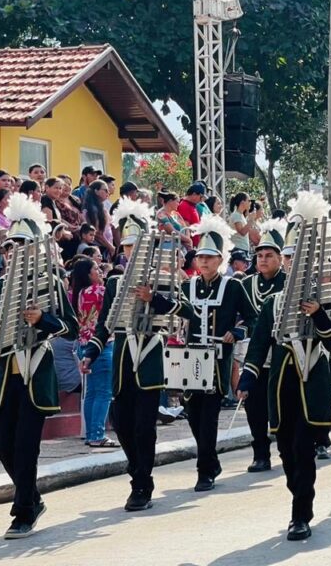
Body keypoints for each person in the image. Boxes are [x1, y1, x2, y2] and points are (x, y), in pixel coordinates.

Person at [239, 194, 331, 540]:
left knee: (302, 448)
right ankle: (299, 497)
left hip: (311, 383)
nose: (295, 264)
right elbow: (258, 344)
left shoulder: (326, 295)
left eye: (300, 258)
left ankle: (301, 515)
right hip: (281, 386)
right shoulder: (273, 302)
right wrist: (247, 378)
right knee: (285, 450)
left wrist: (319, 314)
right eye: (291, 258)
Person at [0, 193, 79, 538]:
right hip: (6, 377)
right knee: (4, 447)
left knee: (25, 446)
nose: (14, 251)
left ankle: (23, 511)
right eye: (11, 246)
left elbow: (71, 328)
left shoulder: (50, 284)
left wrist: (43, 320)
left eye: (22, 245)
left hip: (36, 371)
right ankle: (33, 499)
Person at [147, 214, 258, 492]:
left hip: (218, 360)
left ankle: (204, 470)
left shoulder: (233, 286)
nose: (204, 262)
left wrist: (238, 331)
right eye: (200, 257)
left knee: (208, 417)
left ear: (220, 259)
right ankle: (211, 461)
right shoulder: (188, 285)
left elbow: (253, 318)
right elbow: (179, 311)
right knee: (194, 416)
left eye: (210, 257)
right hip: (190, 359)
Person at [80, 197, 170, 508]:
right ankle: (137, 471)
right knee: (122, 424)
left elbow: (181, 310)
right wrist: (91, 353)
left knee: (145, 427)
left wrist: (153, 298)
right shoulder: (115, 283)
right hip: (122, 363)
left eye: (136, 246)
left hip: (148, 362)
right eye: (127, 246)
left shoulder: (163, 277)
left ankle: (142, 484)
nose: (131, 251)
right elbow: (105, 325)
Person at [236, 219, 288, 472]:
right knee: (254, 406)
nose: (263, 260)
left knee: (283, 406)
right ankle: (261, 454)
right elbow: (243, 318)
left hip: (282, 355)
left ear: (280, 258)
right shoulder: (246, 284)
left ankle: (288, 450)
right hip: (254, 356)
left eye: (269, 255)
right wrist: (239, 330)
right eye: (260, 256)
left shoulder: (289, 283)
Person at [69, 257, 119, 448]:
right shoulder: (98, 291)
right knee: (103, 392)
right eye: (96, 269)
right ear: (88, 274)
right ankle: (97, 434)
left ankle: (91, 433)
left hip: (84, 344)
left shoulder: (79, 293)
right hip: (101, 345)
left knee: (92, 392)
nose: (100, 272)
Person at [82, 180, 115, 262]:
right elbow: (97, 234)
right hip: (100, 248)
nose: (108, 192)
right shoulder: (93, 210)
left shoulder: (101, 208)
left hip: (105, 247)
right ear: (96, 191)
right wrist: (111, 247)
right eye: (105, 190)